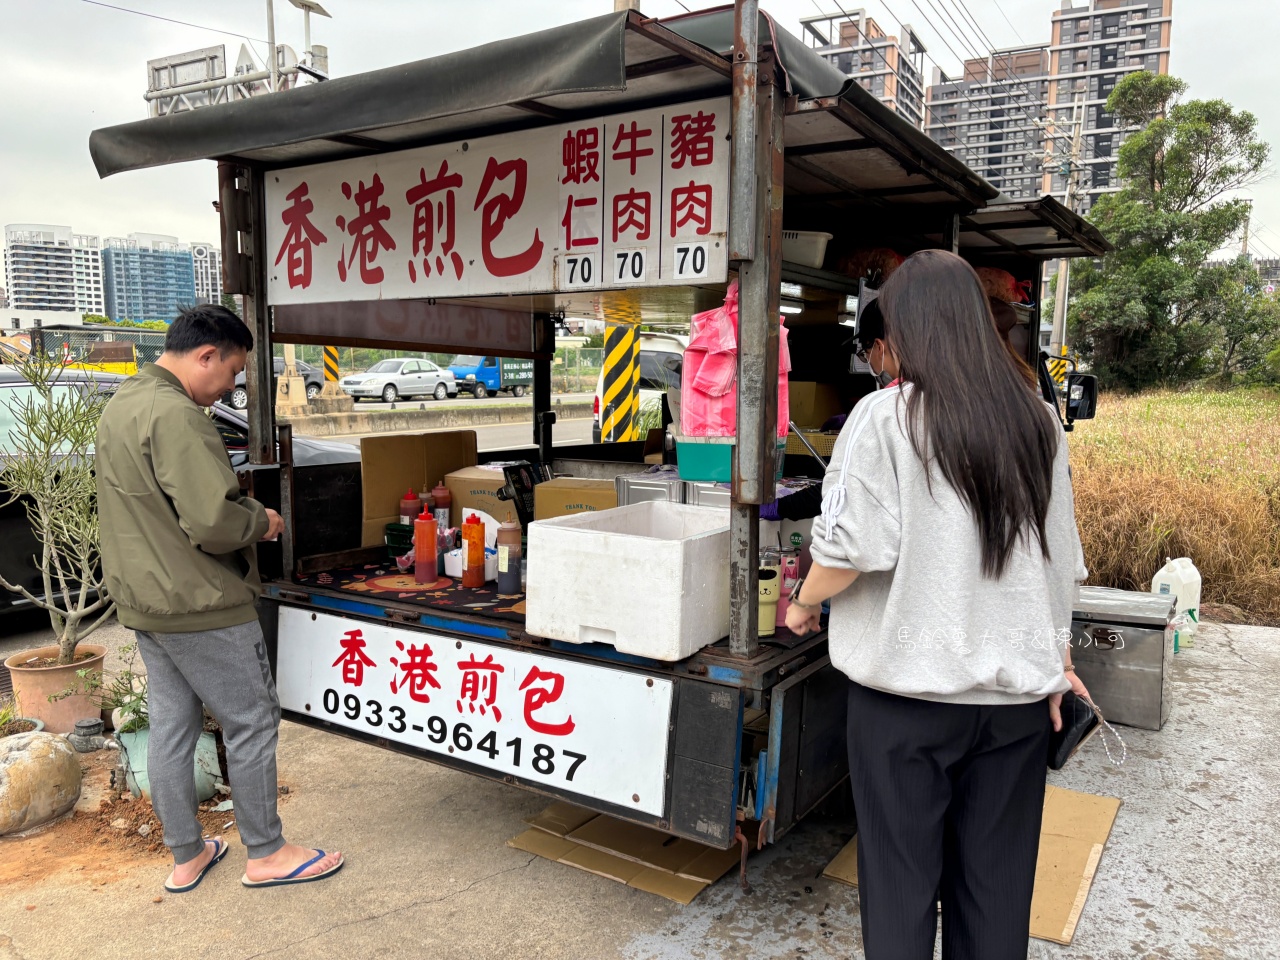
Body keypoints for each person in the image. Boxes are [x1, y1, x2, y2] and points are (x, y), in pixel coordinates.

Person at [785, 250, 1089, 960]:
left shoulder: (886, 417)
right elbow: (1057, 562)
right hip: (1013, 709)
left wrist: (803, 603)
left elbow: (847, 551)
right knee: (997, 891)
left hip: (906, 708)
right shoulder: (1037, 421)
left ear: (909, 327)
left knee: (900, 886)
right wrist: (1057, 665)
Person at [96, 304, 343, 893]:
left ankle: (187, 854)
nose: (231, 386)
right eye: (231, 371)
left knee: (172, 729)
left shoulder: (122, 404)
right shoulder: (176, 415)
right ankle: (267, 852)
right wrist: (263, 521)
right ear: (205, 355)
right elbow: (211, 521)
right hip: (202, 603)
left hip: (147, 603)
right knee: (252, 720)